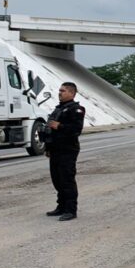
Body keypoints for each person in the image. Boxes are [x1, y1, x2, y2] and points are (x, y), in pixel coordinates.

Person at [44, 82, 86, 220]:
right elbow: (50, 130)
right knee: (57, 179)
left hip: (68, 149)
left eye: (63, 91)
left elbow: (76, 130)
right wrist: (48, 148)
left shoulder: (76, 109)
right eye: (59, 90)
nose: (60, 93)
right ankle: (61, 206)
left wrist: (59, 126)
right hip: (55, 149)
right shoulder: (58, 109)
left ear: (71, 93)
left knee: (67, 179)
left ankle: (71, 210)